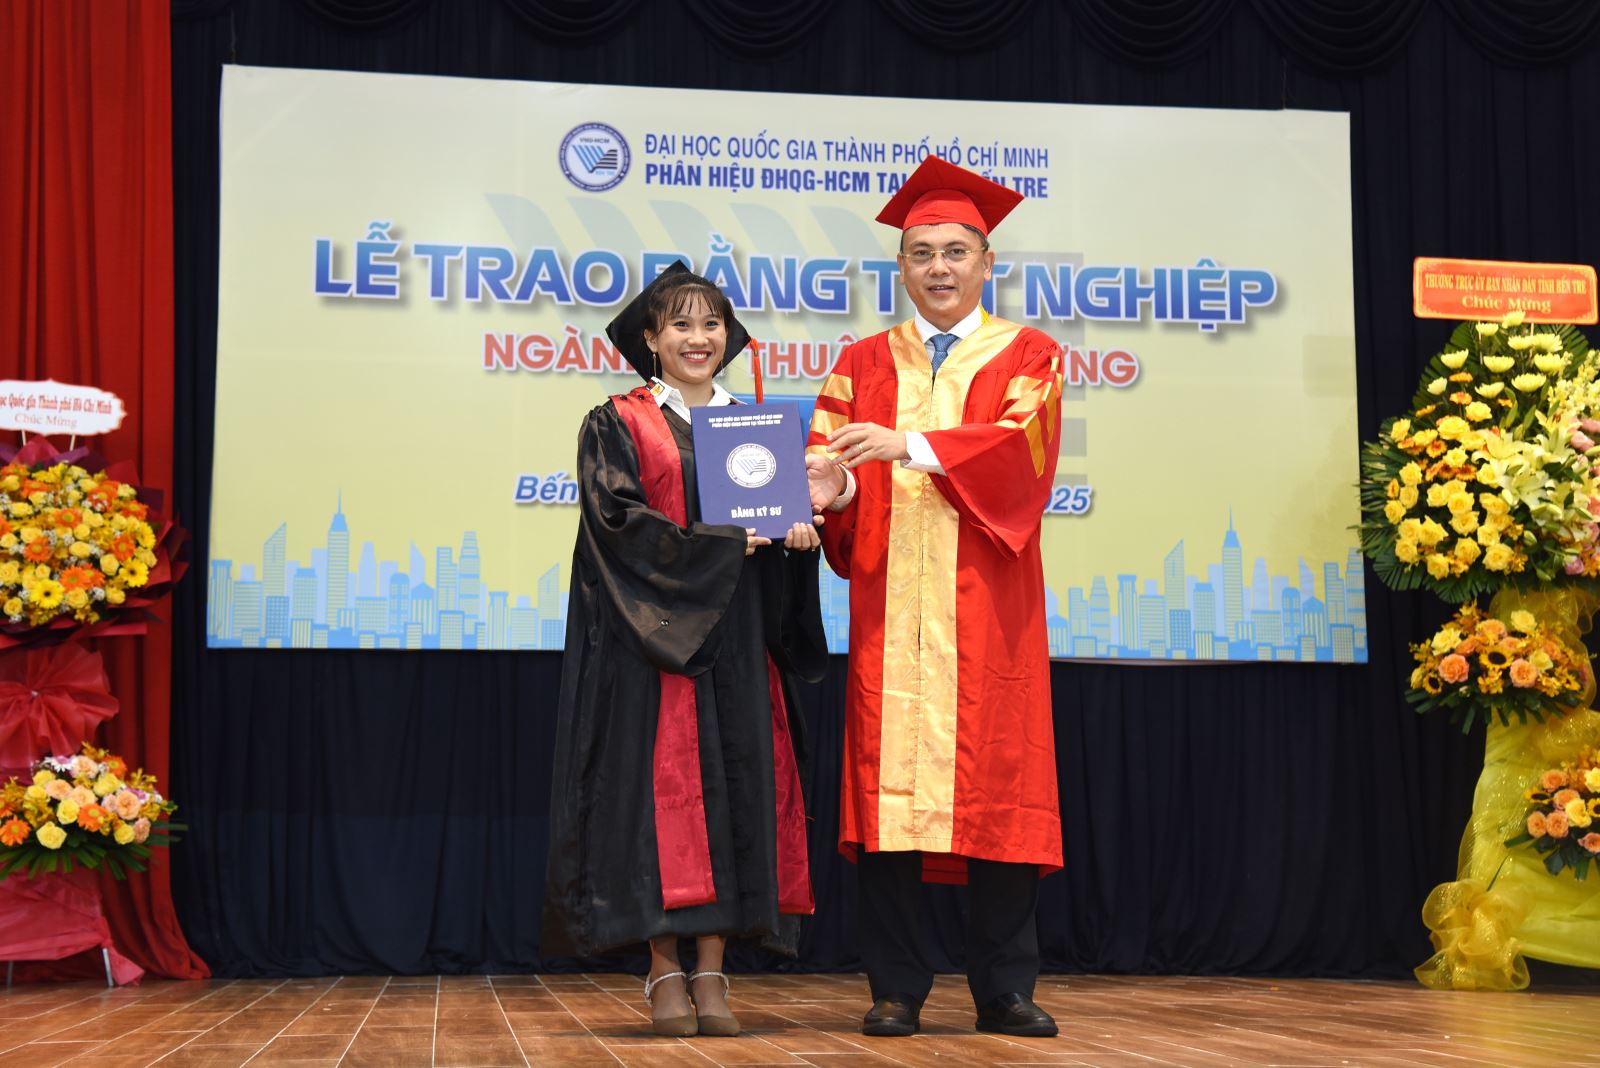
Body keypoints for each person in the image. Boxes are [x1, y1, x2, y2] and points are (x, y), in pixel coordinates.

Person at [805, 155, 1064, 1038]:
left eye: (956, 252)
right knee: (887, 797)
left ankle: (1005, 989)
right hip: (893, 609)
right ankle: (895, 988)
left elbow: (1019, 454)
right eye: (922, 253)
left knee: (1001, 787)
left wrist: (908, 444)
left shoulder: (1029, 354)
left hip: (989, 614)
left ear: (988, 263)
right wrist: (831, 487)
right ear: (901, 266)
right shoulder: (860, 361)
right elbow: (832, 465)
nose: (939, 268)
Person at [543, 262, 828, 1038]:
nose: (698, 339)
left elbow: (780, 532)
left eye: (711, 325)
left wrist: (799, 538)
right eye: (680, 325)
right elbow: (618, 524)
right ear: (650, 338)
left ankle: (713, 972)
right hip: (656, 643)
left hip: (739, 643)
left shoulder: (757, 426)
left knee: (734, 796)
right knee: (662, 807)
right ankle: (664, 968)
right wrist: (726, 543)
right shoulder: (618, 422)